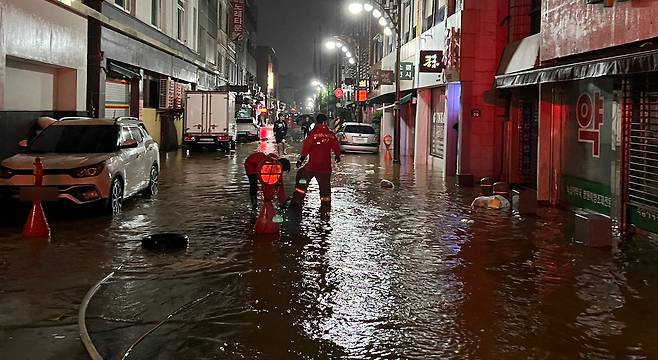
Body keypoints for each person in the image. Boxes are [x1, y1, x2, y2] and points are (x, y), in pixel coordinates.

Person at [291, 113, 341, 208]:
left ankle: (297, 201)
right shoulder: (330, 134)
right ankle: (325, 207)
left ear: (316, 122)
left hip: (312, 166)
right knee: (325, 188)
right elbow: (336, 146)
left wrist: (300, 160)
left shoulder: (313, 133)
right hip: (325, 167)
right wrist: (337, 156)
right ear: (325, 122)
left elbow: (306, 148)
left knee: (302, 178)